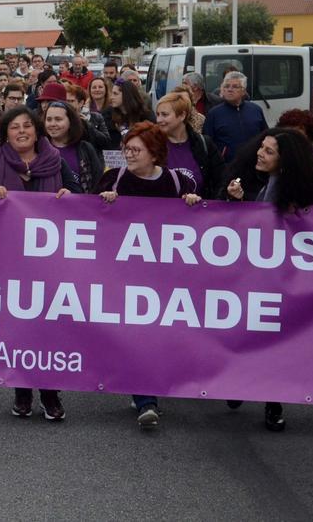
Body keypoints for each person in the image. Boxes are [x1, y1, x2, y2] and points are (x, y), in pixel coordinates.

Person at [0, 105, 80, 421]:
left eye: (27, 126)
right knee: (17, 325)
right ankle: (21, 390)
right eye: (14, 127)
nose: (21, 131)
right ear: (6, 134)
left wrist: (67, 194)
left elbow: (79, 193)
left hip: (48, 261)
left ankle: (49, 392)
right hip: (5, 260)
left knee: (48, 325)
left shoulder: (56, 162)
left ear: (37, 131)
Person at [94, 122, 202, 428]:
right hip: (122, 273)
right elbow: (85, 217)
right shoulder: (113, 179)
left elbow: (201, 221)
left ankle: (142, 386)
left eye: (135, 149)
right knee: (138, 334)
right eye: (126, 148)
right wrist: (104, 203)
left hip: (164, 276)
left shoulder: (176, 183)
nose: (128, 154)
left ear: (154, 153)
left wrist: (192, 204)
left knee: (155, 335)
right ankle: (146, 398)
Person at [221, 128, 313, 431]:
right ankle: (237, 384)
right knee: (244, 334)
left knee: (274, 342)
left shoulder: (303, 194)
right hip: (248, 277)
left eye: (269, 151)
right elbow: (235, 225)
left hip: (282, 281)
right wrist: (236, 200)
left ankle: (272, 401)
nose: (260, 153)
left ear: (285, 162)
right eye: (262, 147)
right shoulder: (255, 178)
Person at [155, 92, 225, 199]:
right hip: (164, 213)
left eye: (164, 115)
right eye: (158, 114)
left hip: (199, 213)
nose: (159, 120)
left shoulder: (204, 144)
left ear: (182, 115)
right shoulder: (153, 144)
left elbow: (221, 181)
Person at [203, 72, 268, 163]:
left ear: (243, 91)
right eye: (226, 86)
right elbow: (207, 144)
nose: (230, 89)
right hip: (227, 166)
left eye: (235, 86)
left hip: (254, 164)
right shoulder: (214, 114)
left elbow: (265, 136)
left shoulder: (256, 110)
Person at [42, 101, 103, 193]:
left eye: (58, 119)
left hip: (82, 205)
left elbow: (98, 184)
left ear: (70, 122)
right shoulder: (39, 149)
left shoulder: (85, 149)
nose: (53, 124)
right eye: (49, 119)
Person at [275, 108, 313, 178]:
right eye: (287, 135)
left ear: (310, 137)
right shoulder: (275, 158)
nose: (292, 140)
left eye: (297, 136)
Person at [103, 79, 153, 146]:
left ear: (126, 95)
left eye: (115, 94)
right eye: (112, 93)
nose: (111, 97)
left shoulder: (145, 114)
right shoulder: (108, 114)